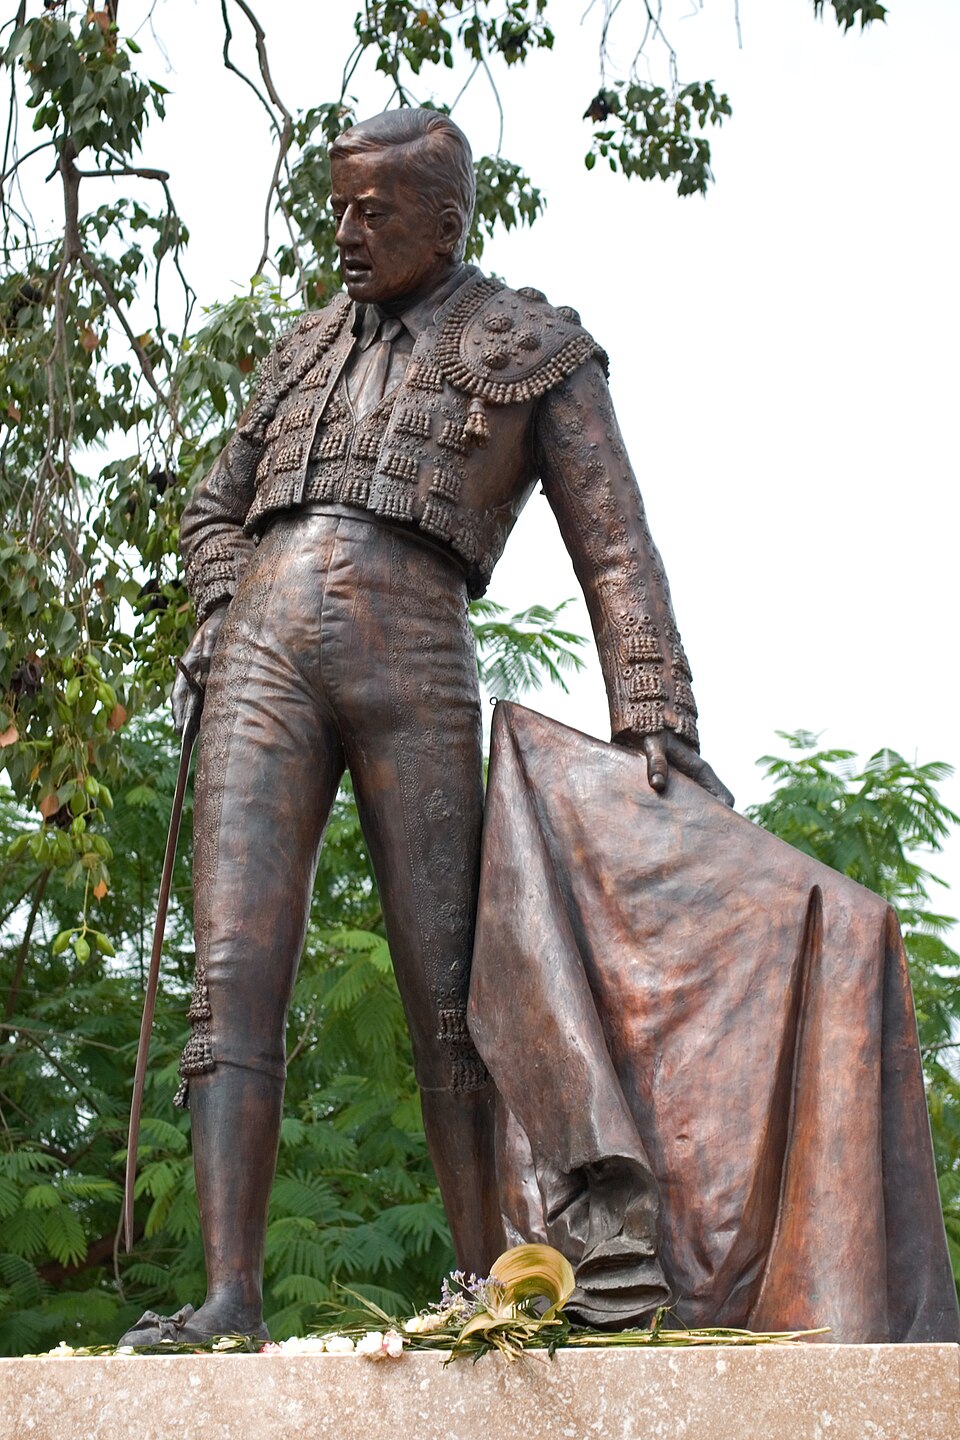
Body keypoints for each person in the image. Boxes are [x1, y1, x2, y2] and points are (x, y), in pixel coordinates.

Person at [120, 107, 730, 1347]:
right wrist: (227, 604)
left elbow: (612, 544)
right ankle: (229, 1293)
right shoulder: (296, 351)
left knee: (448, 980)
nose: (343, 232)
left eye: (371, 212)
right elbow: (209, 510)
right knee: (232, 970)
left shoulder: (534, 347)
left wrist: (652, 706)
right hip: (263, 651)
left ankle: (485, 1277)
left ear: (446, 223)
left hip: (413, 642)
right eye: (334, 206)